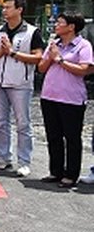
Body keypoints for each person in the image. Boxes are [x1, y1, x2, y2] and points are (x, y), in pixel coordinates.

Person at [0, 0, 44, 177]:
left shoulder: (32, 32)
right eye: (3, 8)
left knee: (23, 124)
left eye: (8, 7)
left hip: (21, 83)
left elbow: (38, 57)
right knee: (1, 122)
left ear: (20, 9)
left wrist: (12, 53)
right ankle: (4, 158)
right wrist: (1, 52)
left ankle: (24, 161)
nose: (4, 11)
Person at [37, 12, 93, 188]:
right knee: (53, 135)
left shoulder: (83, 45)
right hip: (49, 96)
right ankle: (56, 171)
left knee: (72, 137)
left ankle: (71, 174)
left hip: (71, 98)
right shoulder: (55, 44)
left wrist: (59, 59)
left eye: (60, 22)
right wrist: (50, 56)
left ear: (71, 27)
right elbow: (41, 68)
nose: (56, 25)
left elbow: (85, 69)